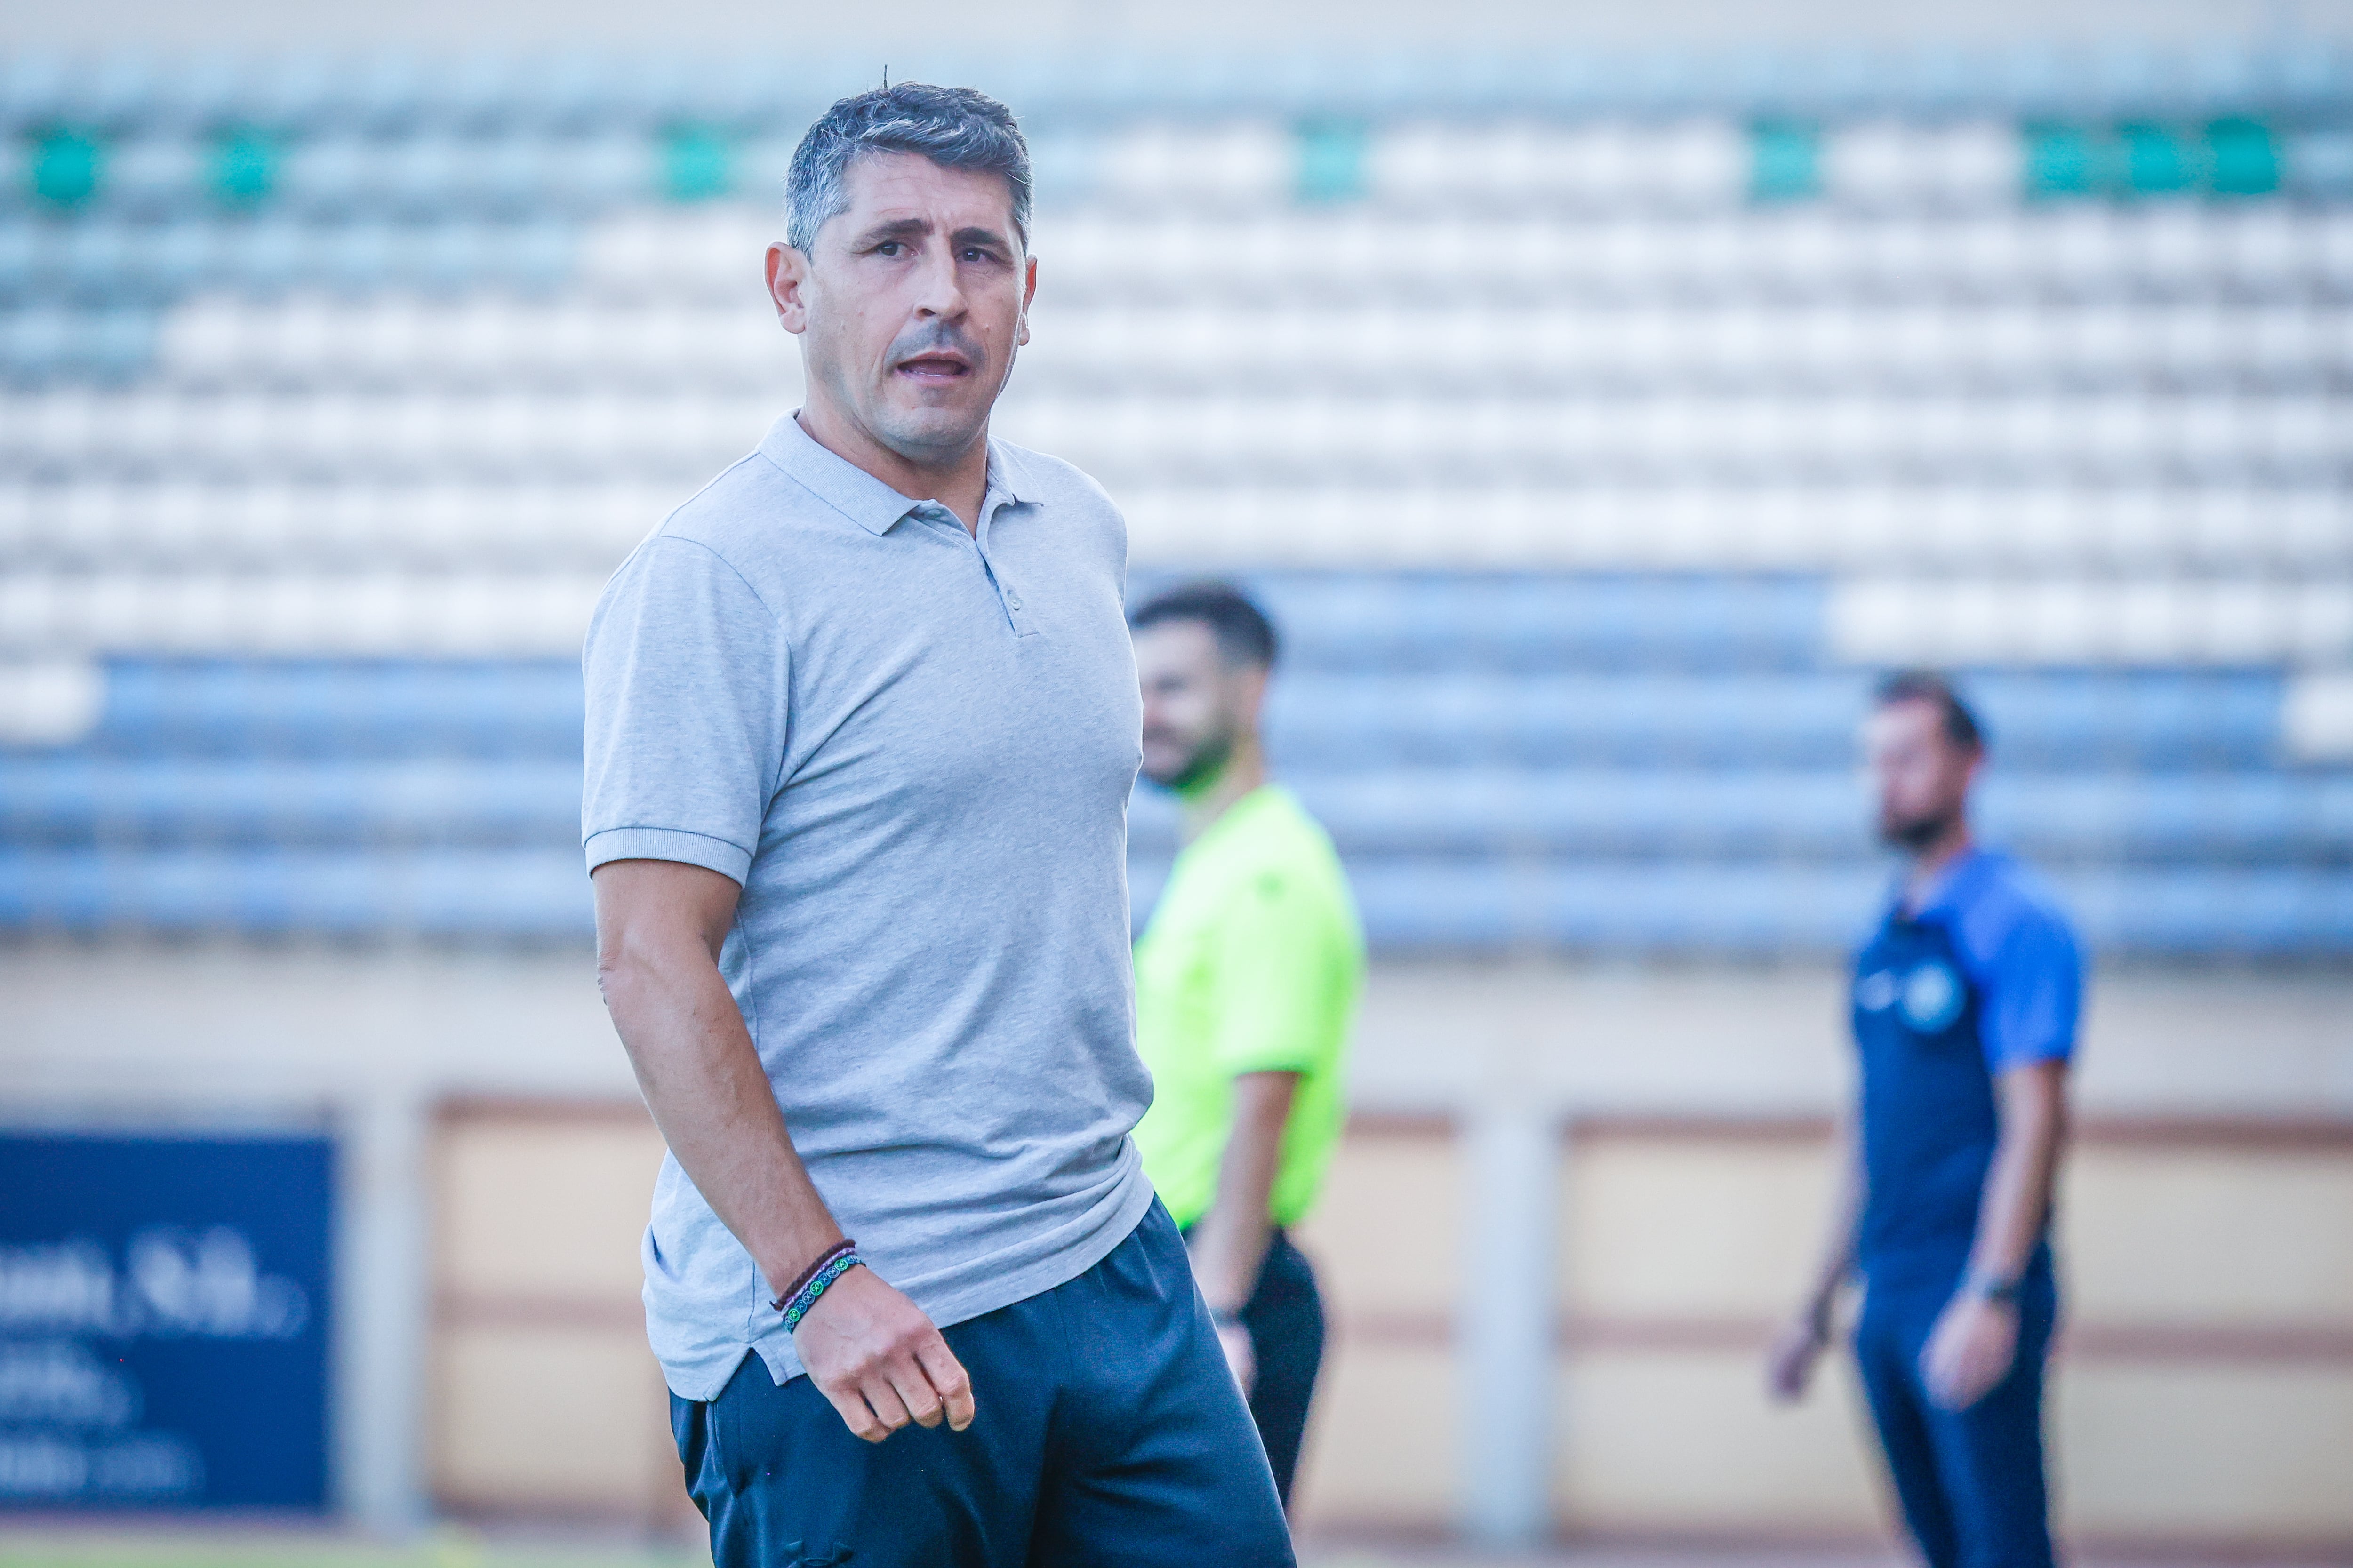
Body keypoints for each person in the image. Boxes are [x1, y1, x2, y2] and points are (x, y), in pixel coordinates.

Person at [582, 84, 1293, 1568]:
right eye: (889, 247)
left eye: (980, 253)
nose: (941, 293)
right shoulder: (715, 575)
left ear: (1030, 295)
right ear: (791, 287)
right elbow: (652, 962)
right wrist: (816, 1277)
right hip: (855, 1323)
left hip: (1112, 1263)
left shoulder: (1082, 527)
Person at [1767, 671, 2082, 1568]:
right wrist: (1816, 1303)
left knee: (2004, 1546)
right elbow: (1869, 1128)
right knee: (1935, 1547)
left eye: (1908, 757)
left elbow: (2038, 1123)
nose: (1887, 781)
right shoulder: (1886, 935)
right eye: (1874, 762)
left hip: (1968, 1276)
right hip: (1888, 1288)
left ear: (1969, 764)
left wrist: (1993, 1293)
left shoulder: (2017, 923)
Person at [1126, 581, 1364, 1509]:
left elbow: (1262, 1102)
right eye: (1134, 687)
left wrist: (1216, 1309)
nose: (1146, 713)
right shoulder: (1215, 860)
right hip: (1181, 1274)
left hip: (1221, 1279)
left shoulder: (1269, 872)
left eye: (1175, 687)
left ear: (1250, 692)